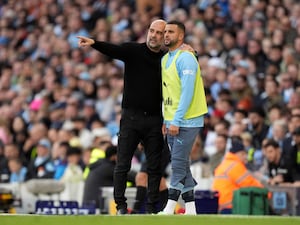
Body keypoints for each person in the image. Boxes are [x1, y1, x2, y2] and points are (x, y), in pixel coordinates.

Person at [77, 19, 166, 214]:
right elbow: (114, 50)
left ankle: (151, 208)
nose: (154, 35)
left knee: (154, 167)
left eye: (159, 33)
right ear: (148, 31)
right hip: (131, 117)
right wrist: (94, 43)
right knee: (122, 164)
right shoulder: (134, 50)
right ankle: (121, 206)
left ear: (164, 37)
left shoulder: (167, 58)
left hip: (154, 119)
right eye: (152, 30)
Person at [160, 21, 208, 215]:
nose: (166, 35)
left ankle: (169, 207)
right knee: (182, 163)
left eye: (170, 32)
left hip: (187, 120)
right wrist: (166, 119)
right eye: (165, 32)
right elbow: (169, 92)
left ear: (181, 36)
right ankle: (191, 208)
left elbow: (187, 92)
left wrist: (176, 120)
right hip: (172, 120)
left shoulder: (186, 58)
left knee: (178, 163)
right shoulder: (165, 59)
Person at [212, 139, 264, 214]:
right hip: (233, 206)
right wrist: (266, 194)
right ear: (238, 154)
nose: (245, 157)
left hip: (221, 206)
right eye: (243, 154)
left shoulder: (224, 164)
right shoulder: (236, 166)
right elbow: (249, 184)